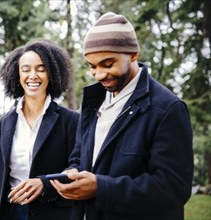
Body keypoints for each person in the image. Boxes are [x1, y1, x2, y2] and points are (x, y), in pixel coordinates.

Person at [50, 12, 194, 220]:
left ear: (133, 54)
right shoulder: (93, 102)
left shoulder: (168, 108)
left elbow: (174, 188)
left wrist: (101, 188)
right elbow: (79, 156)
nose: (99, 75)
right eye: (92, 67)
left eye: (108, 64)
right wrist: (72, 170)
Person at [0, 39, 79, 220]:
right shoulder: (3, 124)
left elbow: (78, 167)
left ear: (52, 73)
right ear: (17, 74)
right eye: (26, 69)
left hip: (54, 214)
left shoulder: (71, 120)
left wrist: (45, 184)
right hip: (10, 213)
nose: (33, 75)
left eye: (41, 68)